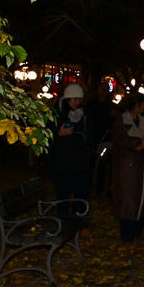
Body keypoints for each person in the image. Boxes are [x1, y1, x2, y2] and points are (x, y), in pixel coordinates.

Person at [111, 95, 144, 247]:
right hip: (127, 167)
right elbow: (118, 140)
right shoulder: (121, 121)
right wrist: (135, 143)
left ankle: (137, 231)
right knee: (128, 200)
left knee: (143, 199)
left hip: (143, 167)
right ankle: (127, 234)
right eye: (143, 104)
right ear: (136, 105)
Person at [51, 83, 93, 215]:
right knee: (63, 194)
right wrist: (59, 134)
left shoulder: (85, 114)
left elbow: (91, 134)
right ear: (67, 98)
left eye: (79, 99)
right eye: (74, 99)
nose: (77, 102)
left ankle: (78, 222)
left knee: (80, 194)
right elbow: (48, 135)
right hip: (63, 161)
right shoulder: (57, 113)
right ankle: (62, 220)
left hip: (80, 161)